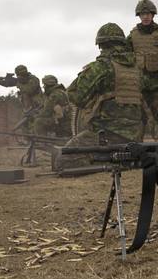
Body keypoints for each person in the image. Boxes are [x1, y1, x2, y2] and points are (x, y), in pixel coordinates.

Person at [55, 23, 143, 171]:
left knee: (62, 161)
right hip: (135, 136)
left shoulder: (101, 66)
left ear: (102, 44)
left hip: (106, 134)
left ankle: (113, 163)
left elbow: (77, 97)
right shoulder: (136, 68)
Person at [124, 0, 158, 141]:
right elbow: (124, 60)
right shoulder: (131, 37)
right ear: (139, 16)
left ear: (153, 15)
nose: (146, 16)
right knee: (136, 122)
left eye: (148, 14)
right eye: (143, 14)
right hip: (138, 87)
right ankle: (137, 152)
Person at [0, 64, 43, 133]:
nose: (18, 77)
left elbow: (29, 90)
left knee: (36, 122)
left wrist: (18, 84)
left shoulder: (33, 79)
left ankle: (40, 138)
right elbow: (6, 84)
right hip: (28, 108)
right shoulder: (20, 81)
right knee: (25, 124)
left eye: (20, 75)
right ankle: (30, 140)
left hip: (38, 105)